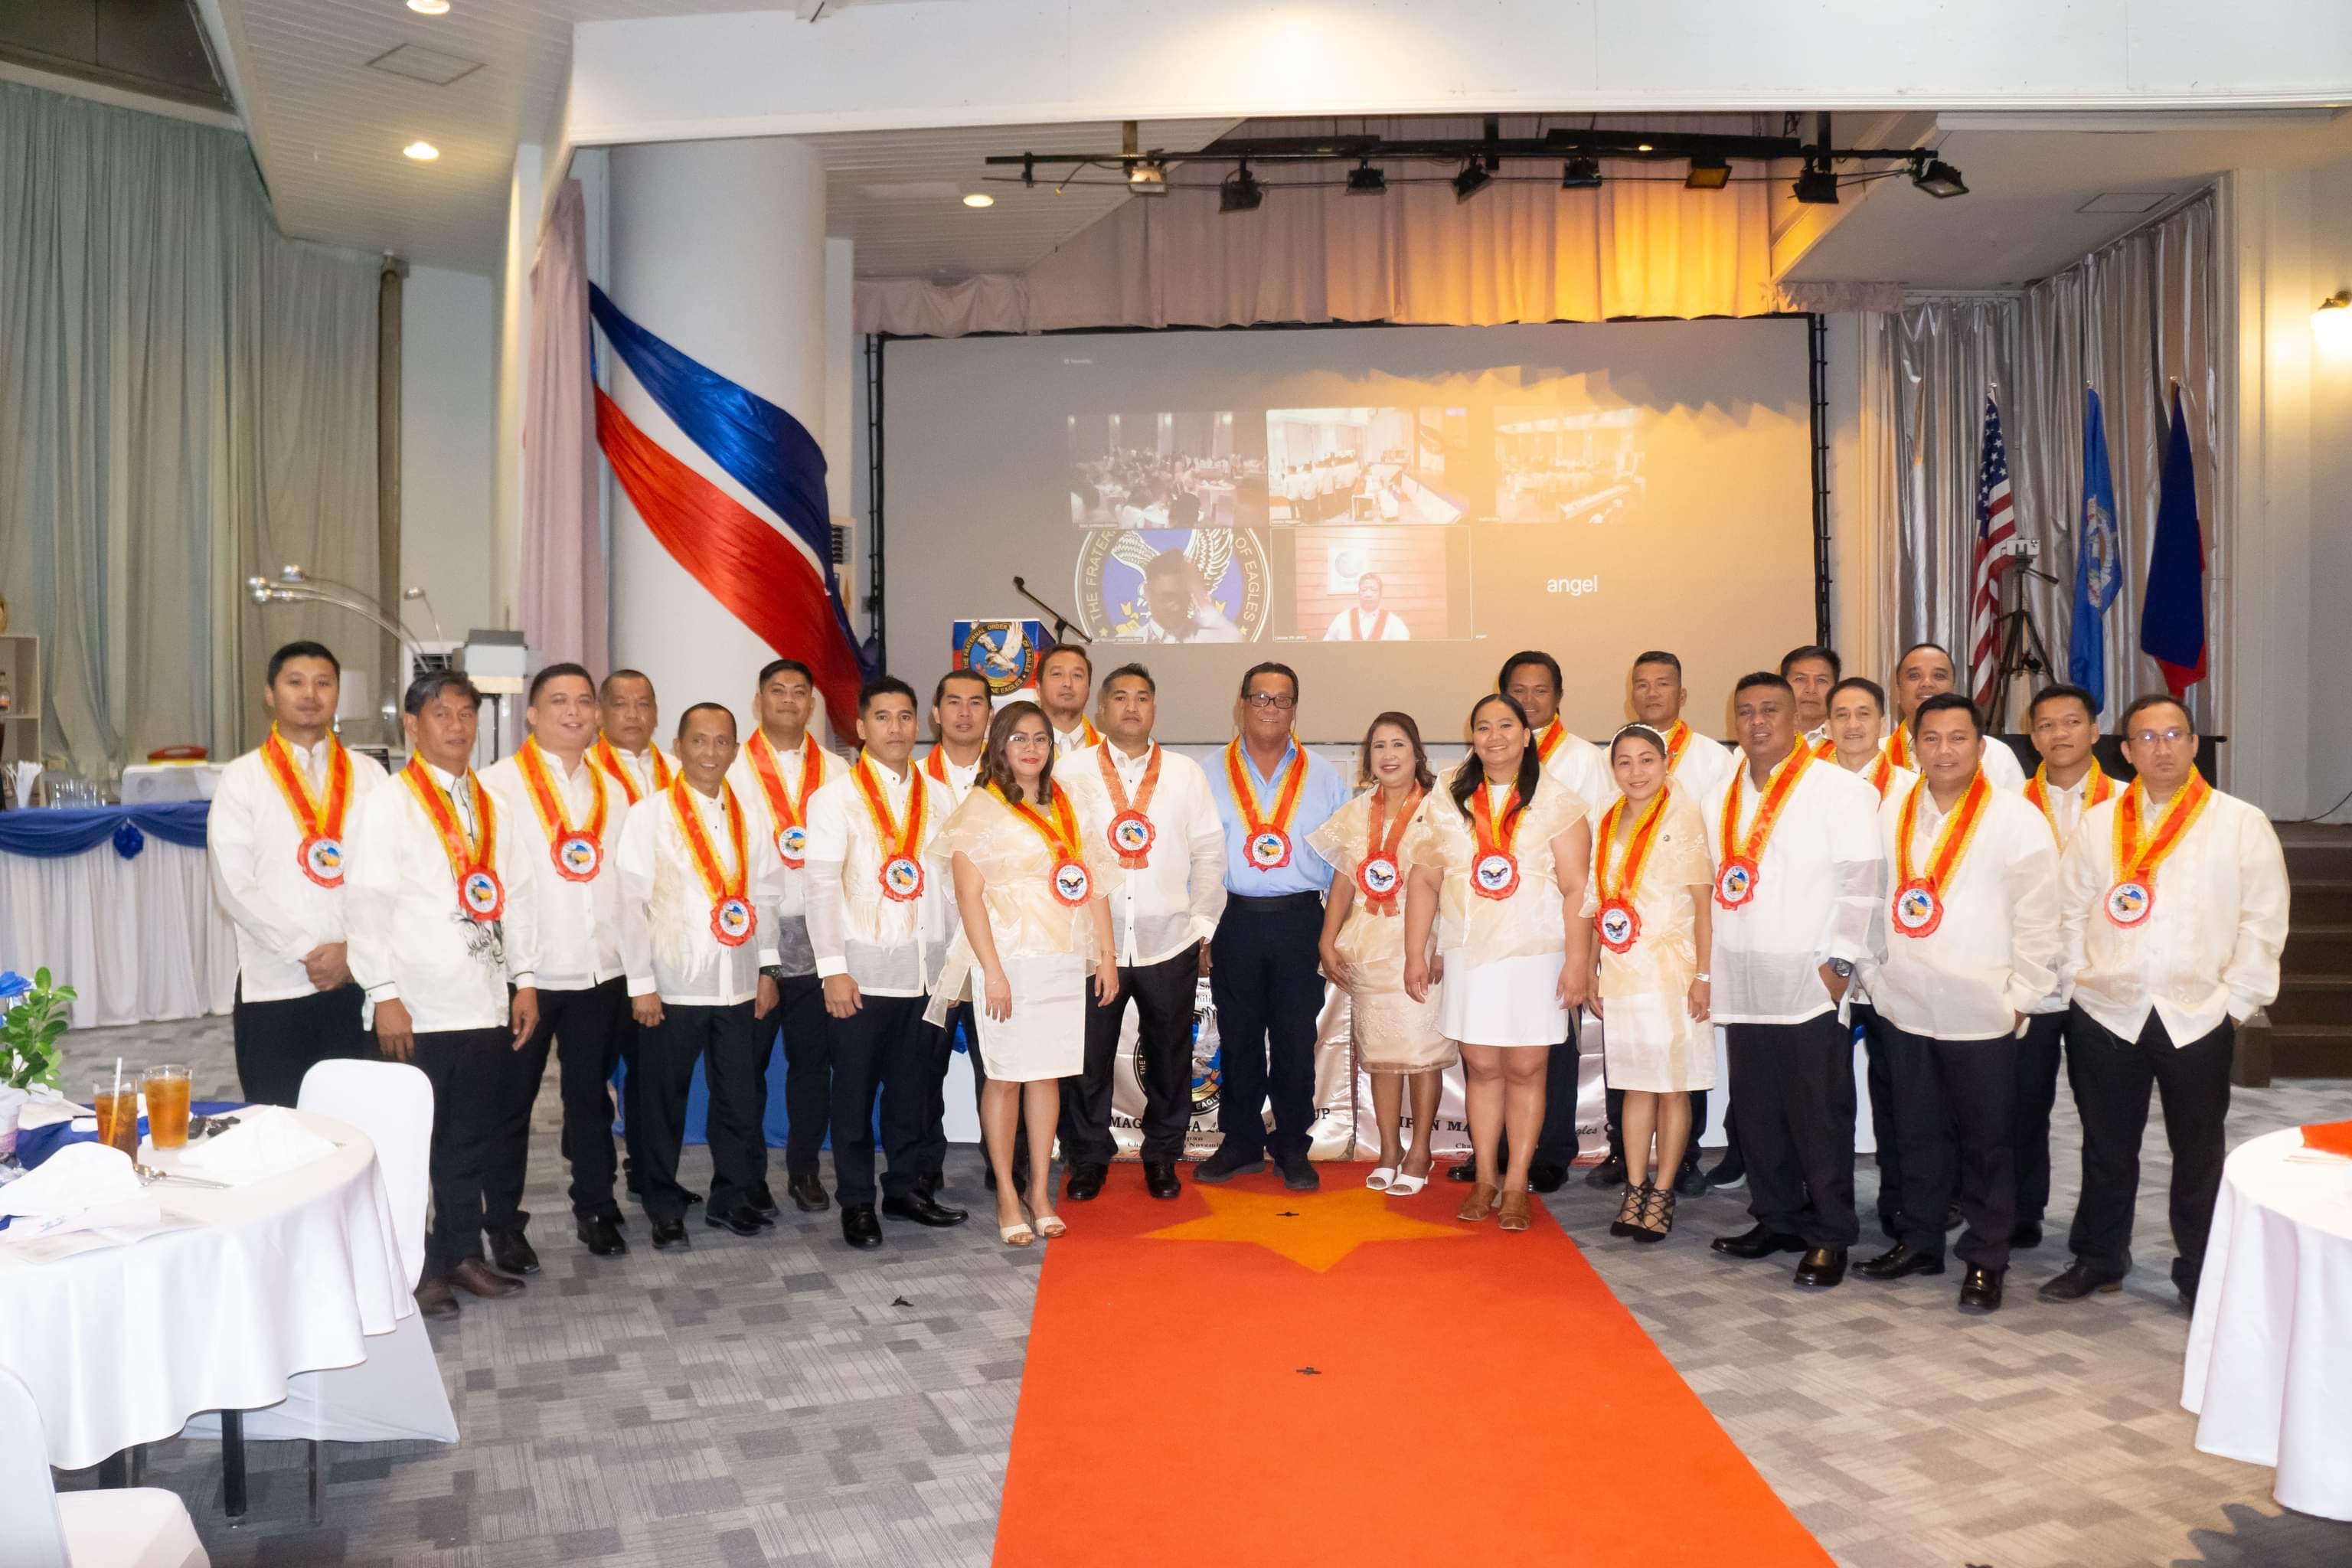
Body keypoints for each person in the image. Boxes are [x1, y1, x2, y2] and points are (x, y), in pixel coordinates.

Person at [2041, 694, 2289, 1308]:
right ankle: (2099, 1257)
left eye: (2173, 734)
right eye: (2146, 739)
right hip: (2107, 1010)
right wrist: (2077, 979)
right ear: (2124, 751)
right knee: (2105, 1144)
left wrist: (2237, 1003)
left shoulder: (2239, 822)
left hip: (2198, 1012)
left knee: (2198, 1149)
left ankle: (2201, 1267)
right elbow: (2070, 910)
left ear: (2194, 742)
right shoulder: (2099, 824)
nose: (2161, 748)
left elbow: (2263, 920)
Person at [1854, 694, 2061, 1314]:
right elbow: (1867, 897)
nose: (1944, 750)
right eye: (1932, 739)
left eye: (1958, 739)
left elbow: (2039, 915)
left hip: (1982, 1008)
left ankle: (1986, 1257)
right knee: (1915, 1132)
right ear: (1914, 745)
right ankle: (1920, 1240)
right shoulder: (1891, 810)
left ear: (1981, 747)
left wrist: (2022, 996)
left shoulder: (2014, 818)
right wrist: (1873, 973)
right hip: (1904, 1002)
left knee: (1987, 1139)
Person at [347, 671, 540, 1319]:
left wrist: (525, 981)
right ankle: (415, 1268)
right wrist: (384, 993)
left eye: (466, 714)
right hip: (416, 1005)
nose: (456, 726)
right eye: (440, 714)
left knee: (468, 1140)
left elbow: (518, 902)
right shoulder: (387, 804)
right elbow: (366, 906)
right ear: (411, 725)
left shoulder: (494, 807)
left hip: (482, 1000)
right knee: (409, 1147)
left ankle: (459, 1252)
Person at [1704, 672, 1881, 1290]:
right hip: (1743, 979)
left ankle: (1830, 1233)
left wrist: (1839, 967)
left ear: (1798, 718)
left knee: (1819, 1114)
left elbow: (1863, 881)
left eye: (1770, 710)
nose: (1757, 722)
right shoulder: (1719, 793)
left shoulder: (1838, 789)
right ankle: (1775, 1217)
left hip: (1809, 985)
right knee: (1755, 1111)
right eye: (1745, 710)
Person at [1402, 694, 1593, 1233]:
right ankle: (1485, 1176)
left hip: (1536, 955)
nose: (1494, 736)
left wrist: (1577, 963)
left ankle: (1516, 1184)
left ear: (1527, 733)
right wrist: (1416, 950)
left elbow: (1579, 886)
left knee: (1527, 1068)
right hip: (1470, 953)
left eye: (1505, 725)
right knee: (1482, 1067)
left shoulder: (1558, 800)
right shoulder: (1448, 795)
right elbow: (1424, 877)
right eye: (1482, 727)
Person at [932, 702, 1120, 1244]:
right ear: (1000, 746)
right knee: (1006, 1076)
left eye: (1040, 738)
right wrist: (990, 972)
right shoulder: (979, 808)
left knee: (1047, 1075)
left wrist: (1105, 955)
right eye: (1019, 739)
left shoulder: (1069, 802)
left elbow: (1094, 883)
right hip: (1008, 960)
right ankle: (1009, 1198)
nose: (1032, 748)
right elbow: (969, 898)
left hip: (1062, 958)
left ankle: (1041, 1190)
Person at [804, 676, 966, 1249]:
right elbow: (820, 887)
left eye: (905, 717)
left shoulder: (942, 797)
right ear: (861, 727)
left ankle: (905, 1190)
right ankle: (856, 1203)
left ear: (918, 724)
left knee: (913, 1093)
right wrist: (832, 968)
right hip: (862, 976)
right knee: (852, 1095)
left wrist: (956, 964)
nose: (896, 728)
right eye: (883, 717)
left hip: (926, 975)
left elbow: (951, 889)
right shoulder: (833, 799)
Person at [616, 703, 783, 1251]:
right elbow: (630, 904)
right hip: (671, 986)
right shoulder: (650, 815)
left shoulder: (751, 818)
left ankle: (732, 1198)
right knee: (663, 1100)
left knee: (739, 1098)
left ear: (735, 750)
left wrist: (767, 969)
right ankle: (663, 1204)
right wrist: (640, 983)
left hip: (736, 983)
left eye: (721, 742)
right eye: (699, 741)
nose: (710, 753)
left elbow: (766, 898)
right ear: (680, 746)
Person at [479, 663, 631, 1265]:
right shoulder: (496, 786)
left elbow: (623, 887)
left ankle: (596, 1207)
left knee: (591, 1101)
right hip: (528, 978)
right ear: (533, 714)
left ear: (597, 716)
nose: (573, 712)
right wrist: (520, 975)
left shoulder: (614, 789)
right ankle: (504, 1224)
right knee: (510, 1105)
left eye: (584, 702)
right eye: (558, 701)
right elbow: (491, 889)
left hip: (598, 973)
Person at [1059, 665, 1226, 1201]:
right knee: (1087, 1059)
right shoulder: (1070, 771)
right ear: (1101, 710)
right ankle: (1088, 1158)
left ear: (1155, 709)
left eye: (1143, 698)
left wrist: (1200, 926)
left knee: (1171, 1058)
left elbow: (1208, 852)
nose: (1132, 707)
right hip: (1091, 946)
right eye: (1121, 698)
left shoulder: (1184, 773)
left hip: (1167, 942)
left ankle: (1161, 1157)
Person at [209, 640, 388, 1106]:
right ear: (270, 693)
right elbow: (233, 884)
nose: (310, 693)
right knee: (280, 1123)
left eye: (323, 682)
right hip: (275, 983)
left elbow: (393, 876)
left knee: (356, 1124)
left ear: (337, 693)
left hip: (357, 981)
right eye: (295, 682)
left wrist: (354, 953)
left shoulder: (371, 777)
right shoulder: (242, 777)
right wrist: (307, 951)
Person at [1197, 663, 1352, 1191]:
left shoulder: (1326, 777)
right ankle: (1239, 1141)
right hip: (1232, 919)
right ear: (1240, 705)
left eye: (1281, 700)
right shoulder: (1206, 773)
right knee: (1238, 1038)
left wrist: (1330, 937)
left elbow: (1342, 868)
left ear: (1294, 710)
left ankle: (1291, 1143)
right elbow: (1192, 860)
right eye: (1260, 699)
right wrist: (1202, 932)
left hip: (1298, 920)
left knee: (1293, 1039)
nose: (1270, 709)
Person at [1483, 651, 1618, 1195]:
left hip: (1560, 926)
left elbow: (1601, 845)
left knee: (1553, 1044)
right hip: (1495, 928)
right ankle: (1496, 1151)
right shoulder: (1488, 761)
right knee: (1495, 1043)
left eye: (1541, 691)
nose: (1530, 700)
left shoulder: (1585, 760)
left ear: (1559, 697)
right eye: (1520, 689)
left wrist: (1589, 943)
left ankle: (1551, 1150)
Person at [1312, 712, 1451, 1196]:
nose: (1388, 756)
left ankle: (1421, 1151)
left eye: (1398, 745)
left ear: (1417, 753)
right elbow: (1344, 878)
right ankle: (1390, 1149)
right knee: (1382, 1056)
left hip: (1422, 945)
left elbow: (1453, 885)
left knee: (1422, 1055)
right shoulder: (1357, 811)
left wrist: (1444, 948)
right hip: (1370, 945)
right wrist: (1328, 939)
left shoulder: (1441, 809)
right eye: (1379, 747)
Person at [1585, 724, 1713, 1242]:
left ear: (1665, 765)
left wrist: (1704, 975)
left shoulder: (1684, 817)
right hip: (1623, 969)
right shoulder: (1608, 819)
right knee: (1635, 1083)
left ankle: (1662, 1191)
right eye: (1624, 762)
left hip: (1673, 969)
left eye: (1646, 761)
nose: (1636, 772)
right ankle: (1634, 1188)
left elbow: (1704, 906)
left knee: (1673, 1086)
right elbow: (1600, 901)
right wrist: (1594, 964)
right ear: (1612, 769)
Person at [726, 658, 845, 1216]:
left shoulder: (841, 773)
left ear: (812, 704)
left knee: (811, 1065)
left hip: (821, 939)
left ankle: (804, 1171)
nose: (790, 701)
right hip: (752, 939)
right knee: (745, 1067)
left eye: (801, 691)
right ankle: (746, 1177)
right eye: (778, 691)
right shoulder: (730, 768)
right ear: (759, 700)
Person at [2011, 682, 2117, 1246]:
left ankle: (2098, 1239)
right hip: (2033, 980)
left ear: (2095, 731)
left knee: (2104, 1117)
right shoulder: (2008, 806)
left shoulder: (2127, 804)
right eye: (2047, 725)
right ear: (2033, 737)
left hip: (2102, 983)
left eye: (2071, 723)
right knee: (2022, 1106)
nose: (2059, 734)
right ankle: (2023, 1212)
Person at [1819, 674, 1921, 1236]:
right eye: (1842, 714)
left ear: (1883, 723)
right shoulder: (1809, 786)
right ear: (1827, 724)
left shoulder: (1910, 788)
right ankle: (1827, 1205)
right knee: (1826, 1095)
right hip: (1827, 960)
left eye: (1864, 714)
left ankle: (1900, 1202)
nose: (1853, 724)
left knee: (1897, 1090)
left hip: (1891, 961)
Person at [592, 667, 676, 1201]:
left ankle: (649, 1174)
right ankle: (595, 1190)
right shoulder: (588, 776)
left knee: (652, 1076)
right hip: (603, 954)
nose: (633, 715)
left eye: (643, 704)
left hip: (663, 954)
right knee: (592, 1080)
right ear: (602, 712)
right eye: (621, 704)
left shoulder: (679, 772)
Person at [921, 668, 1003, 1193]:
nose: (965, 712)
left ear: (990, 717)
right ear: (936, 713)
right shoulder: (910, 783)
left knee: (997, 1066)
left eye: (976, 703)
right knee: (923, 1071)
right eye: (954, 702)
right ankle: (923, 1171)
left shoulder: (1010, 781)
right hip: (932, 952)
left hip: (995, 949)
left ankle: (1005, 1167)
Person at [1883, 642, 2027, 789]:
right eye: (1914, 676)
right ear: (1898, 693)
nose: (1927, 683)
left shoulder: (1996, 754)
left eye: (1939, 676)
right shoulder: (1877, 756)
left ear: (1953, 689)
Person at [1628, 650, 1736, 799]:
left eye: (1663, 684)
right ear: (1632, 699)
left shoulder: (1714, 758)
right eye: (1642, 685)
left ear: (1682, 696)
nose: (1652, 693)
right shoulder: (1611, 758)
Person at [1141, 550, 1243, 643]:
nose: (1177, 608)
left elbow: (1235, 639)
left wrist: (1200, 594)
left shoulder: (1207, 638)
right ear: (1147, 592)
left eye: (1184, 597)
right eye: (1167, 597)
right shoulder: (1130, 637)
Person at [1037, 645, 1101, 757]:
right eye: (1057, 674)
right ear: (1038, 689)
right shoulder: (1014, 750)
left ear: (1088, 690)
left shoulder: (1110, 751)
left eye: (1077, 675)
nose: (1067, 683)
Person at [1781, 645, 1842, 751]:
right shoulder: (1760, 741)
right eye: (1800, 679)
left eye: (1821, 680)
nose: (1811, 689)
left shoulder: (1850, 742)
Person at [1322, 574, 1411, 641]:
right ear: (1358, 593)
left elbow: (1403, 651)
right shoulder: (1342, 619)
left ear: (1380, 594)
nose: (1368, 595)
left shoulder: (1393, 622)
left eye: (1374, 590)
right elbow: (1327, 647)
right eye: (1364, 590)